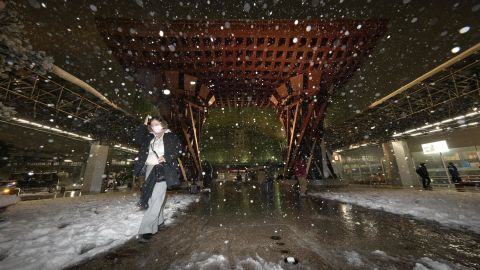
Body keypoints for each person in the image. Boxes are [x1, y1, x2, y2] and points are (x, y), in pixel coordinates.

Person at [133, 115, 182, 243]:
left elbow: (179, 149)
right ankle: (159, 221)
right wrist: (144, 124)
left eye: (157, 124)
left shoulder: (170, 136)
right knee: (151, 197)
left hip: (163, 168)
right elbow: (137, 139)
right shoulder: (149, 137)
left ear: (163, 124)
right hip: (150, 168)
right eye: (152, 124)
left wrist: (167, 156)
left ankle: (146, 229)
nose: (155, 126)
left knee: (156, 197)